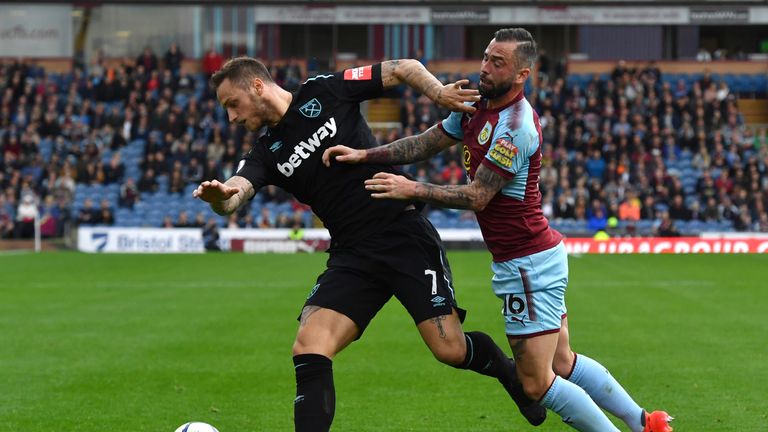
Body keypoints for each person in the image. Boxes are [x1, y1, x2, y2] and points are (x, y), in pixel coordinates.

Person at [324, 28, 673, 432]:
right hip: (532, 257)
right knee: (563, 362)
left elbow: (478, 196)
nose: (485, 68)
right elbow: (427, 142)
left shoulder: (515, 126)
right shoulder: (476, 105)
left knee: (536, 382)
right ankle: (646, 423)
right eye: (486, 57)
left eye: (497, 63)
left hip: (527, 265)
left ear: (522, 74)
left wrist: (412, 188)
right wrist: (365, 154)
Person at [192, 56, 545, 432]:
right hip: (352, 255)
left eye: (233, 104)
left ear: (257, 86)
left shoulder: (324, 91)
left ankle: (508, 372)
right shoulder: (266, 152)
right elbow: (235, 194)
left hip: (402, 233)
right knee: (309, 345)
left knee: (450, 350)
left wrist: (437, 91)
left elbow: (401, 67)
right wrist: (220, 197)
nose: (231, 117)